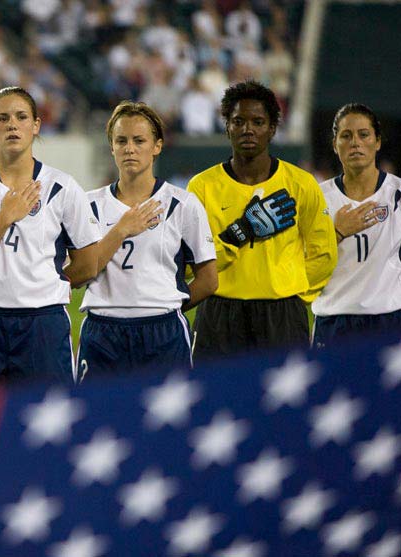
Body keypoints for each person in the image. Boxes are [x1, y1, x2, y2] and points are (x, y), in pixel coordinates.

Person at [188, 80, 337, 359]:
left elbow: (324, 254)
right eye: (238, 121)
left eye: (257, 121)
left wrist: (294, 296)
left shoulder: (301, 184)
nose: (247, 129)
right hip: (219, 313)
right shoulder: (201, 187)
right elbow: (190, 264)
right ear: (227, 126)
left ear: (272, 128)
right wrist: (238, 234)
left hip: (282, 315)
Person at [0, 86, 101, 384]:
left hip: (42, 321)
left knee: (47, 415)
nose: (12, 125)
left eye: (21, 117)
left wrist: (47, 285)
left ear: (36, 125)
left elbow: (88, 263)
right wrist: (5, 217)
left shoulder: (62, 187)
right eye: (2, 118)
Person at [79, 101, 218, 376]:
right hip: (102, 331)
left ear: (157, 146)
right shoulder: (87, 205)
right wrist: (120, 230)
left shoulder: (182, 204)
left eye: (139, 140)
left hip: (163, 332)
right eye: (121, 141)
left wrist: (166, 304)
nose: (129, 148)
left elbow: (209, 279)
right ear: (112, 147)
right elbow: (77, 275)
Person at [311, 103, 401, 346]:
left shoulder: (397, 193)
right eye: (346, 136)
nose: (355, 143)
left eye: (364, 135)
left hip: (388, 320)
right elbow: (303, 268)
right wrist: (337, 232)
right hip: (333, 321)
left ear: (378, 141)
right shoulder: (316, 198)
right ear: (334, 144)